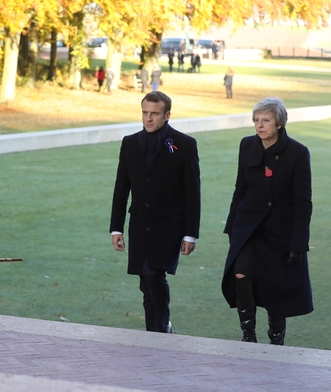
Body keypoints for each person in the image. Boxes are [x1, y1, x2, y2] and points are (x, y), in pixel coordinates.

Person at [221, 97, 313, 345]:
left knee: (275, 285)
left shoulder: (298, 153)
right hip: (249, 228)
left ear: (279, 123)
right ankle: (248, 336)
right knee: (240, 274)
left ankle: (276, 340)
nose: (259, 125)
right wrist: (232, 227)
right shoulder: (246, 145)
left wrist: (298, 243)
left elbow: (303, 203)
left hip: (281, 232)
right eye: (256, 120)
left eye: (266, 120)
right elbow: (240, 189)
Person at [110, 91, 201, 333]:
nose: (148, 119)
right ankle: (156, 330)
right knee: (145, 278)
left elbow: (193, 193)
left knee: (153, 274)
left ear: (167, 115)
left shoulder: (185, 145)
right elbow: (121, 187)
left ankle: (160, 328)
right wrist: (116, 228)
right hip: (139, 224)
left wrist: (190, 234)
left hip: (169, 226)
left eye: (154, 114)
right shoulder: (129, 143)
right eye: (145, 113)